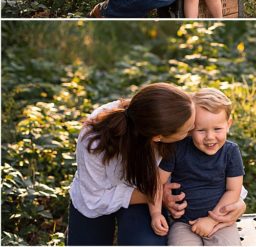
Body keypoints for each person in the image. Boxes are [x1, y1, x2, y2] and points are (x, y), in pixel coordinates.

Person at [67, 83, 195, 245]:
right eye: (188, 131)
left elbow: (217, 160)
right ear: (158, 137)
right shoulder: (95, 138)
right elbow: (94, 198)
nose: (193, 130)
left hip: (145, 200)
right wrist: (157, 194)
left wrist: (237, 201)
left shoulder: (184, 113)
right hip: (97, 196)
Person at [157, 88, 243, 245]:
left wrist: (211, 220)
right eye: (201, 130)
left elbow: (234, 190)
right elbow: (157, 181)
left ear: (228, 124)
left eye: (217, 129)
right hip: (183, 223)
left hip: (219, 221)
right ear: (190, 128)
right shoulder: (178, 148)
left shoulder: (230, 152)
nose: (210, 137)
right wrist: (157, 211)